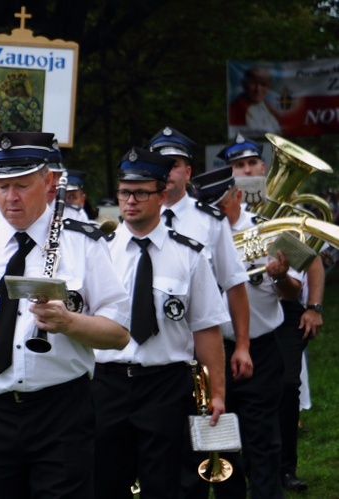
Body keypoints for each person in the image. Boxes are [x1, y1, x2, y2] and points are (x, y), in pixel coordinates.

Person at [0, 132, 131, 498]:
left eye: (21, 185)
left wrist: (70, 323)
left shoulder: (83, 243)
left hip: (60, 412)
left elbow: (119, 333)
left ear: (48, 181)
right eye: (1, 186)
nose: (10, 197)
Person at [94, 147, 229, 498]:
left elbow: (206, 327)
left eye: (141, 192)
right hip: (106, 384)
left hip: (165, 385)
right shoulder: (97, 252)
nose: (130, 201)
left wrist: (217, 393)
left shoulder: (190, 254)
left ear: (162, 195)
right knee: (105, 483)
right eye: (125, 192)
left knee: (166, 485)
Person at [145, 127, 252, 499]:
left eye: (174, 165)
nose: (167, 172)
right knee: (170, 447)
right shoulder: (137, 218)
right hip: (160, 353)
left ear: (188, 172)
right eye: (160, 165)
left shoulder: (209, 220)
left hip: (205, 350)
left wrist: (241, 345)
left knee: (218, 435)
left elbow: (235, 285)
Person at [220, 134, 324, 492]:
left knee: (280, 396)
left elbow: (306, 268)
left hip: (267, 329)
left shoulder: (276, 222)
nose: (246, 172)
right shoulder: (206, 224)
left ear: (263, 168)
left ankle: (278, 471)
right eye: (238, 167)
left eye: (251, 165)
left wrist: (308, 302)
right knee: (222, 430)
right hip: (217, 340)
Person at [193, 166, 299, 499]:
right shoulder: (194, 234)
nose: (216, 213)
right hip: (213, 351)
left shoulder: (267, 232)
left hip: (261, 348)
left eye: (221, 205)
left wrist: (280, 276)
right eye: (209, 206)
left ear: (237, 195)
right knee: (221, 439)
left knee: (262, 438)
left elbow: (293, 291)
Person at [229, 66, 281, 134]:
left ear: (269, 87)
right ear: (244, 84)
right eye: (253, 83)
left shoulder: (270, 108)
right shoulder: (234, 111)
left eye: (263, 84)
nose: (258, 90)